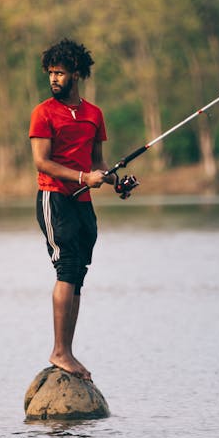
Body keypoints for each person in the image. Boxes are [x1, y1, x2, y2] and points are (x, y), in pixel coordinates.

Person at [29, 38, 137, 379]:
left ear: (77, 73)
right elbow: (42, 162)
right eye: (50, 74)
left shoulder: (93, 115)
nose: (54, 79)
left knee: (78, 274)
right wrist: (80, 176)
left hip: (83, 204)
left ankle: (68, 351)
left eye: (60, 73)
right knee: (67, 267)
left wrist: (115, 182)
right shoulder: (43, 113)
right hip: (55, 199)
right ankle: (60, 352)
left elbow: (98, 164)